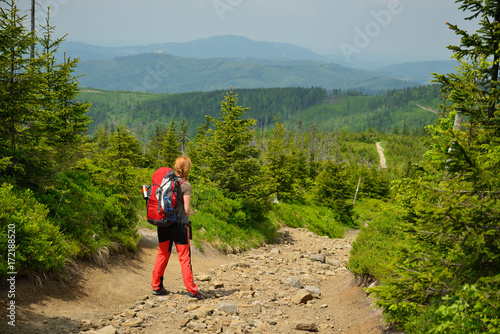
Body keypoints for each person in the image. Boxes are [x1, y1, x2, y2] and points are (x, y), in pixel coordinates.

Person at [151, 155, 203, 300]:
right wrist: (190, 215)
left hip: (163, 224)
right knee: (184, 258)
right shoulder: (186, 185)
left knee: (162, 254)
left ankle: (156, 286)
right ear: (187, 168)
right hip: (179, 226)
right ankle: (192, 290)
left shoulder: (166, 181)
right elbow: (186, 210)